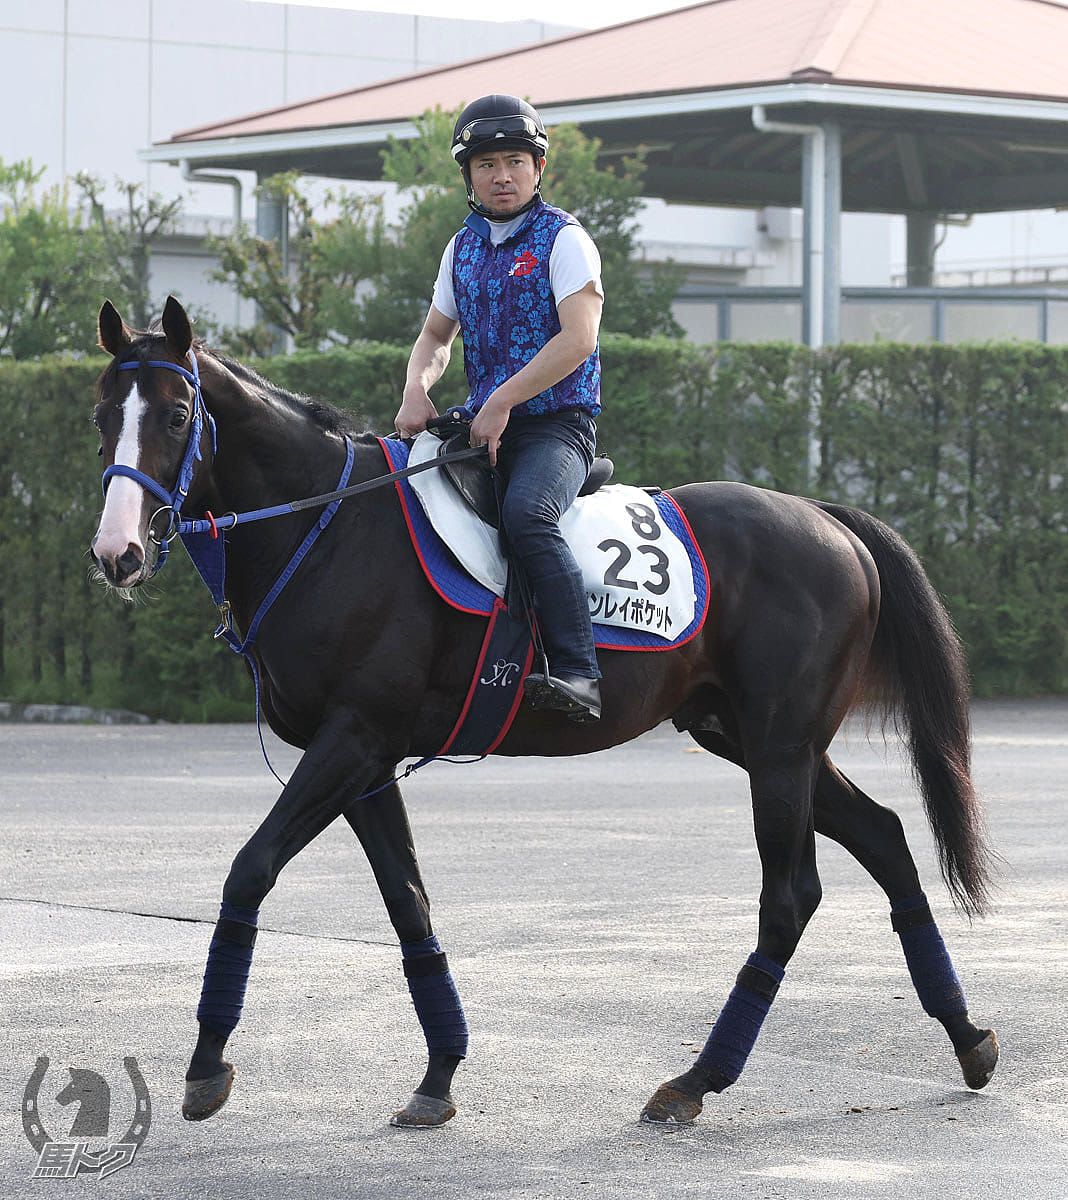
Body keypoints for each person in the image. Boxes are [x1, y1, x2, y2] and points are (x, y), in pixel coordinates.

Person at [395, 94, 604, 722]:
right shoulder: (460, 249)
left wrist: (503, 400)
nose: (502, 176)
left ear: (539, 168)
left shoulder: (565, 239)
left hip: (556, 428)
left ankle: (579, 672)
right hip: (484, 425)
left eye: (515, 161)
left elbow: (579, 339)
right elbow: (436, 337)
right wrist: (414, 387)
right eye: (487, 164)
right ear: (469, 175)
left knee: (527, 515)